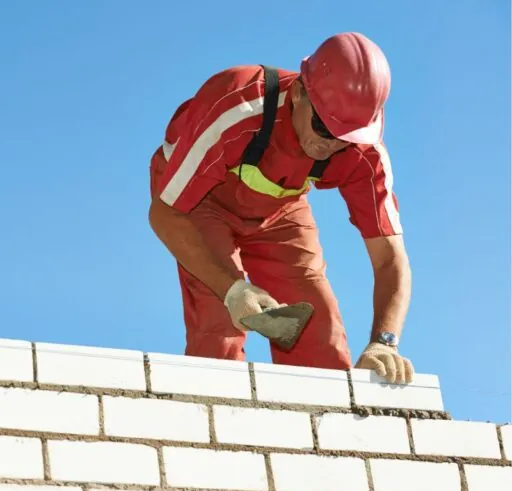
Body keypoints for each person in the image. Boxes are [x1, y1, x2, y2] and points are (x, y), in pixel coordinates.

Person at [148, 32, 414, 385]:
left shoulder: (363, 152)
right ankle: (219, 427)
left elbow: (389, 259)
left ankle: (323, 435)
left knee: (319, 332)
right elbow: (165, 214)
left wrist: (385, 343)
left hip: (279, 210)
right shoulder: (238, 104)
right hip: (196, 200)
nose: (330, 145)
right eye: (323, 126)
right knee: (220, 328)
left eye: (346, 137)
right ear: (301, 91)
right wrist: (231, 289)